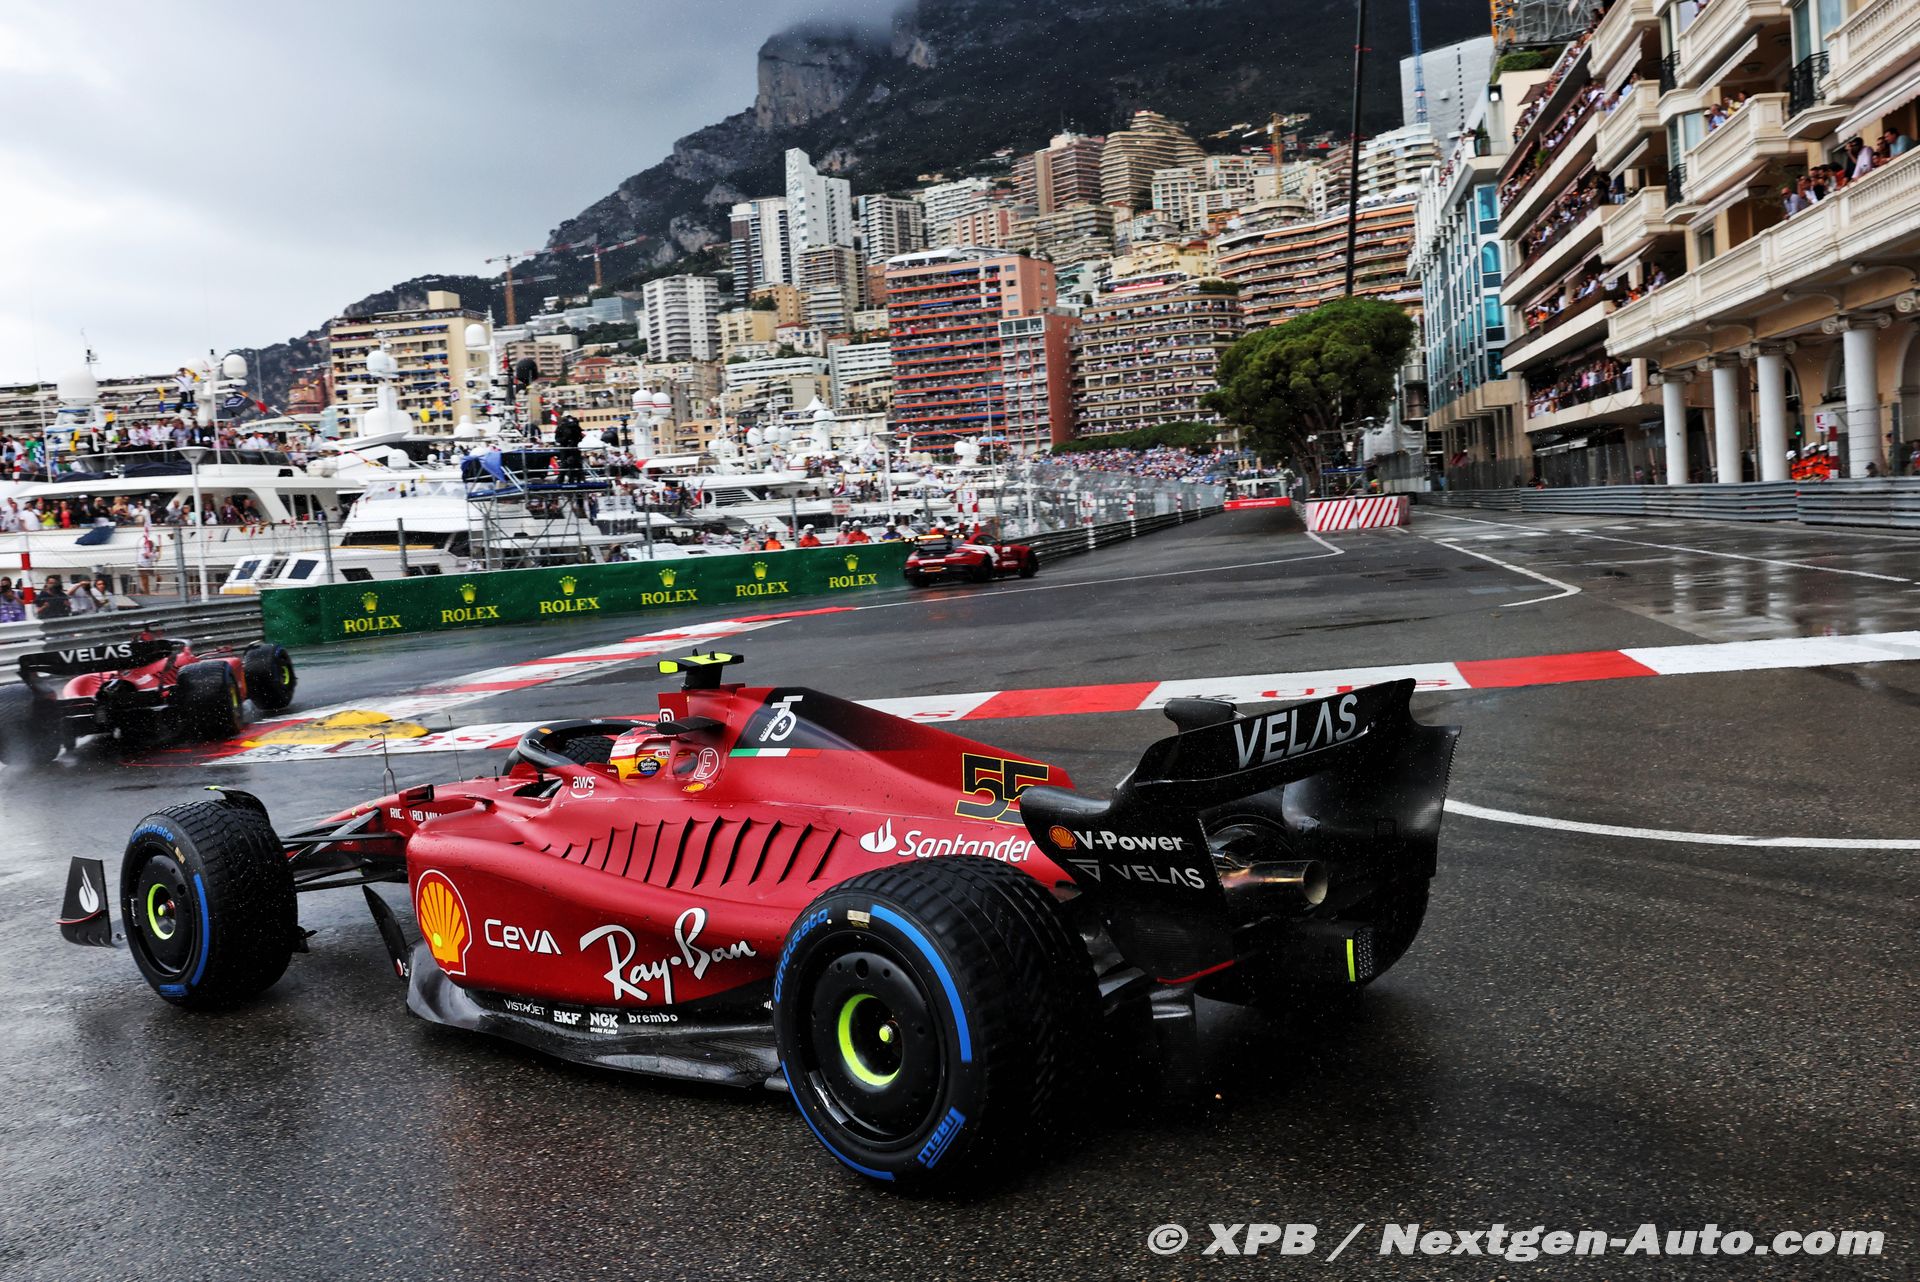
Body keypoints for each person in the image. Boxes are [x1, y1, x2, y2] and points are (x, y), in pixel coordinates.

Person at [553, 413, 584, 485]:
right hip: (571, 447)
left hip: (569, 447)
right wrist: (567, 440)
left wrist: (567, 440)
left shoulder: (565, 426)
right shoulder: (571, 426)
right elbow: (580, 437)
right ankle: (575, 480)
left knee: (567, 464)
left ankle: (563, 480)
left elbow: (557, 438)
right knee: (572, 464)